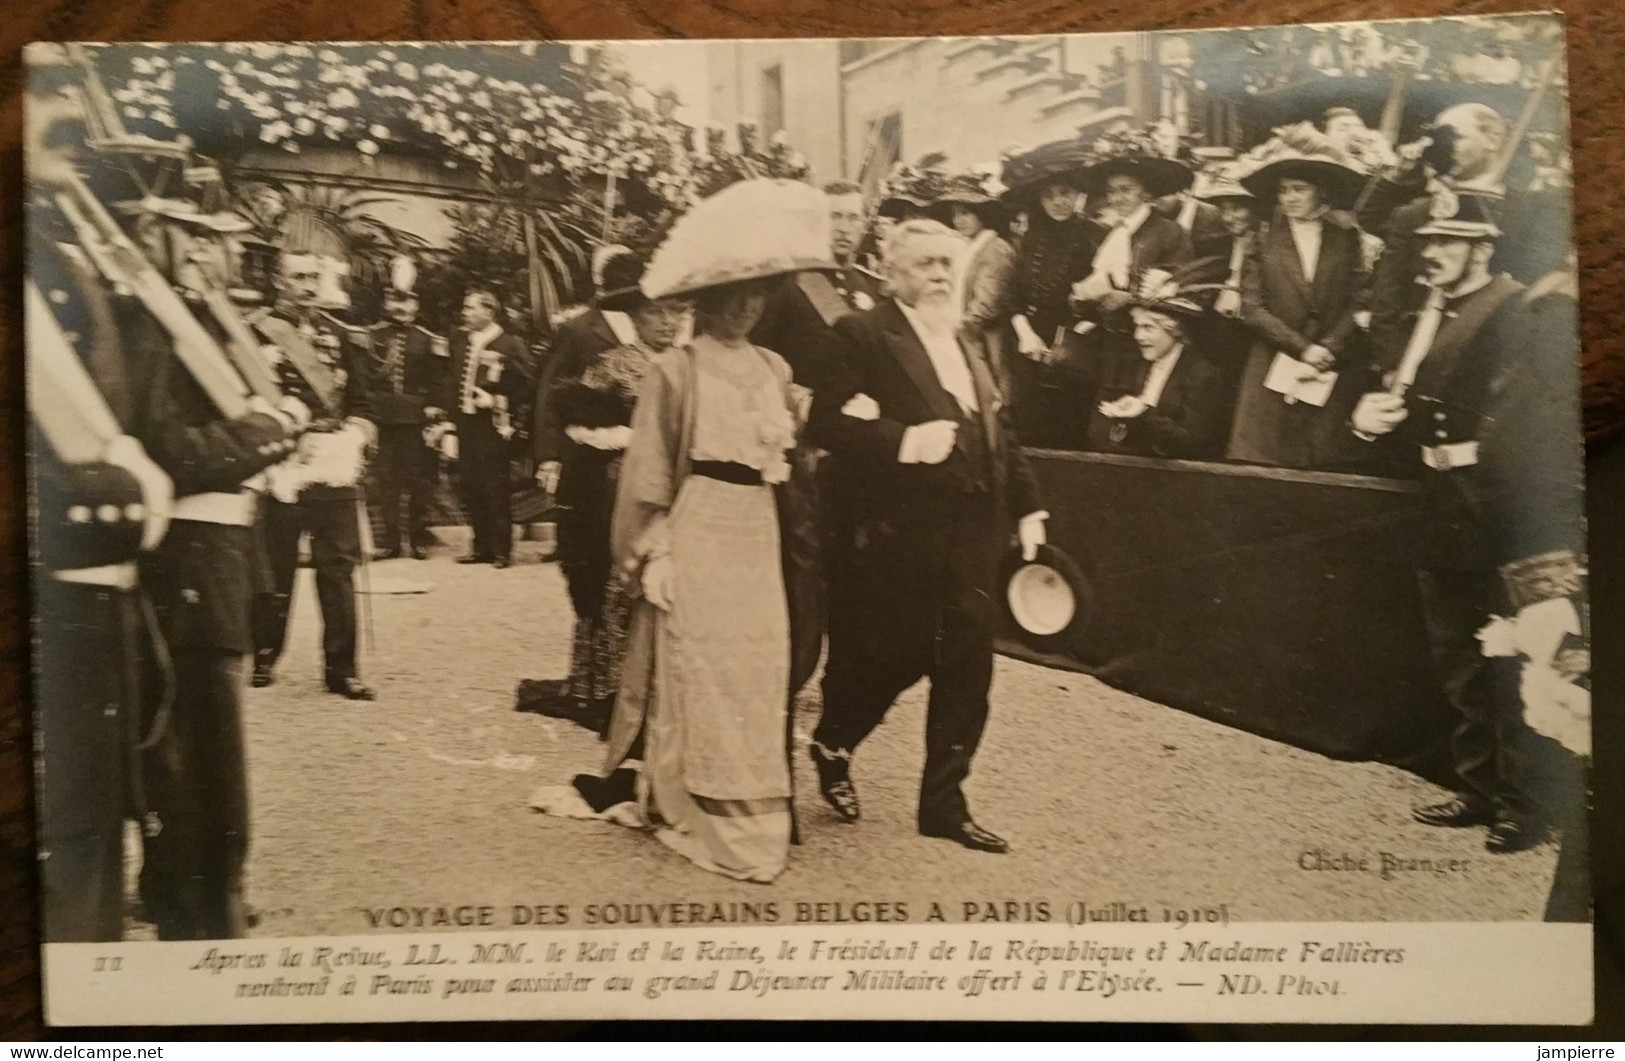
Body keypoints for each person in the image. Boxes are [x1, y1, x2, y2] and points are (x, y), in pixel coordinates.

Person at [533, 179, 825, 883]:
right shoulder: (675, 369)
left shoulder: (776, 368)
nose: (746, 307)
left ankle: (754, 801)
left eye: (760, 293)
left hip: (757, 527)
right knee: (695, 665)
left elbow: (788, 458)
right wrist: (652, 545)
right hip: (698, 522)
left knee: (755, 666)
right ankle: (682, 797)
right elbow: (649, 465)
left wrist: (792, 452)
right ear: (704, 300)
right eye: (733, 296)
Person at [807, 218, 1046, 854]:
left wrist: (1028, 506)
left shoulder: (965, 338)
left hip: (972, 530)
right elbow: (825, 420)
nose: (941, 275)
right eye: (926, 265)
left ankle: (944, 804)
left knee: (968, 666)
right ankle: (835, 738)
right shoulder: (860, 333)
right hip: (894, 534)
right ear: (892, 274)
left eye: (948, 263)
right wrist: (903, 441)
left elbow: (1000, 430)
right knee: (892, 658)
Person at [1348, 188, 1551, 854]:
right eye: (1426, 241)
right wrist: (1368, 418)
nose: (1428, 254)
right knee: (1460, 656)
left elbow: (1526, 418)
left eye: (1446, 242)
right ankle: (1479, 788)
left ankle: (1523, 804)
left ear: (1481, 247)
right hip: (1440, 503)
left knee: (1515, 652)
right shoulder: (1431, 310)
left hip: (1497, 507)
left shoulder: (1516, 309)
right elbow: (1409, 402)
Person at [542, 254, 686, 734]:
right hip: (619, 489)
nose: (667, 323)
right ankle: (606, 688)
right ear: (636, 319)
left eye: (675, 313)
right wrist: (624, 441)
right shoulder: (615, 365)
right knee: (618, 583)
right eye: (655, 314)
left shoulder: (691, 366)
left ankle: (662, 688)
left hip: (680, 491)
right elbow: (578, 424)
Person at [249, 249, 377, 700]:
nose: (307, 285)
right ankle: (264, 654)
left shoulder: (338, 336)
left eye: (313, 277)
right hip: (282, 462)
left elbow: (361, 401)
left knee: (338, 567)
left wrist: (357, 435)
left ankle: (342, 669)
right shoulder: (254, 331)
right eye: (298, 276)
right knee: (274, 565)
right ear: (278, 281)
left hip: (332, 461)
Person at [1225, 129, 1369, 467]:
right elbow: (1252, 308)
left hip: (1328, 365)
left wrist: (1331, 346)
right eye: (1283, 190)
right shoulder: (1261, 239)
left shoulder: (1345, 239)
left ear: (1321, 193)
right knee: (1264, 461)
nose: (1289, 198)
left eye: (1299, 190)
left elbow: (1359, 299)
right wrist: (1302, 348)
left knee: (1318, 461)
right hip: (1272, 362)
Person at [1366, 103, 1509, 370]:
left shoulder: (1532, 211)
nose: (1446, 148)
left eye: (1456, 137)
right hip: (1417, 361)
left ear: (1492, 139)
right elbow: (1386, 303)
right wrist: (1393, 368)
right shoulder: (1414, 215)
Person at [998, 139, 1102, 449]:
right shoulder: (1030, 238)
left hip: (1075, 347)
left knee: (1069, 427)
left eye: (1065, 193)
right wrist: (1025, 334)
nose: (1059, 202)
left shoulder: (1096, 236)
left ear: (1078, 195)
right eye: (1050, 196)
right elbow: (1012, 293)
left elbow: (1103, 299)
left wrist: (1071, 338)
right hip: (1028, 345)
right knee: (1029, 425)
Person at [1083, 270, 1230, 460]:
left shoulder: (1201, 374)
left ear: (1174, 330)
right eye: (1137, 326)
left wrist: (1144, 414)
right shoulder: (1138, 363)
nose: (1138, 336)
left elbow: (1193, 443)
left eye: (1148, 328)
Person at [533, 245, 641, 498]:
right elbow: (551, 390)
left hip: (642, 456)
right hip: (589, 453)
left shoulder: (650, 328)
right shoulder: (578, 329)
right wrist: (549, 455)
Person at [442, 289, 533, 568]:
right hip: (466, 424)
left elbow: (529, 383)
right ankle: (480, 546)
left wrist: (496, 399)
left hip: (493, 425)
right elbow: (451, 381)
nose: (465, 313)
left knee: (495, 487)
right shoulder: (460, 341)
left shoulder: (509, 344)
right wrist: (449, 422)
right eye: (465, 308)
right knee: (471, 485)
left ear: (489, 312)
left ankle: (502, 550)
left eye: (471, 308)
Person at [366, 256, 449, 560]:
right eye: (394, 300)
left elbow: (440, 382)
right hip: (383, 418)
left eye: (406, 301)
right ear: (386, 302)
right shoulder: (371, 336)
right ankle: (389, 541)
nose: (400, 307)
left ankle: (416, 538)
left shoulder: (428, 341)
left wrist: (435, 410)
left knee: (418, 481)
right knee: (385, 481)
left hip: (416, 420)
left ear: (416, 304)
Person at [932, 170, 1019, 403]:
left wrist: (957, 331)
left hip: (986, 338)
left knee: (991, 398)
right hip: (966, 332)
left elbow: (987, 303)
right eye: (955, 215)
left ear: (982, 214)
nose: (958, 220)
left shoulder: (996, 249)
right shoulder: (966, 248)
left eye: (966, 213)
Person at [824, 179, 884, 311]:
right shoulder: (797, 282)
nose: (844, 228)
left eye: (853, 218)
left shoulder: (875, 287)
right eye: (835, 216)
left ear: (865, 225)